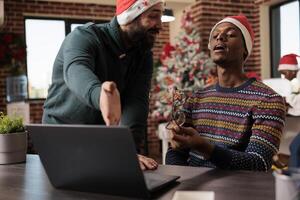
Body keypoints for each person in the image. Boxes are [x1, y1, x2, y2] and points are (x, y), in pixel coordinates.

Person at [42, 0, 164, 170]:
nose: (160, 26)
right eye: (152, 17)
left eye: (160, 18)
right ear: (130, 16)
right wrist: (100, 95)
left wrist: (127, 150)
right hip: (61, 136)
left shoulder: (143, 55)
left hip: (100, 141)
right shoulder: (84, 36)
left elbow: (136, 103)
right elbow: (76, 69)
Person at [166, 15, 286, 171]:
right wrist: (182, 185)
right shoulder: (196, 99)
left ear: (245, 49)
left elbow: (259, 163)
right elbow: (175, 152)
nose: (220, 37)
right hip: (194, 188)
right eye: (215, 36)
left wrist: (205, 148)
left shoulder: (268, 100)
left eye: (230, 34)